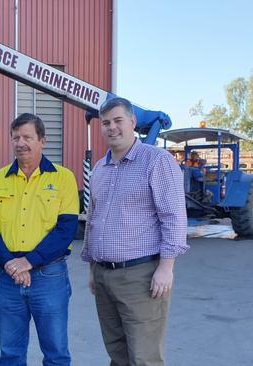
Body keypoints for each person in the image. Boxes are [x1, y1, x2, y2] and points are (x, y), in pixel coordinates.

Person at [81, 97, 189, 366]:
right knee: (117, 353)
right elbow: (94, 220)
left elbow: (173, 217)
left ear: (132, 122)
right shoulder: (99, 169)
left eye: (118, 120)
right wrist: (93, 268)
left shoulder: (156, 161)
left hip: (141, 276)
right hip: (105, 275)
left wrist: (166, 268)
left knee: (144, 357)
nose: (111, 127)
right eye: (105, 122)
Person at [0, 113, 79, 366]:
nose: (21, 143)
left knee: (56, 353)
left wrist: (29, 261)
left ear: (42, 140)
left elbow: (66, 229)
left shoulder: (63, 178)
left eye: (27, 137)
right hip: (8, 278)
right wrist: (10, 262)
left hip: (49, 277)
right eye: (16, 137)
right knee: (11, 353)